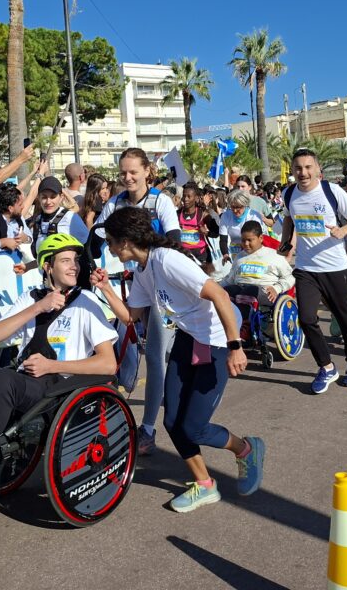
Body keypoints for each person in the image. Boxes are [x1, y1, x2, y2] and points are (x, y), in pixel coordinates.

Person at [93, 208, 264, 513]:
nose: (109, 248)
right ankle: (205, 485)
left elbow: (220, 296)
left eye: (111, 242)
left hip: (217, 339)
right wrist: (105, 287)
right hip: (190, 337)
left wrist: (235, 345)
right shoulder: (144, 270)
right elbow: (130, 317)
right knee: (172, 421)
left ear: (127, 241)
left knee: (194, 428)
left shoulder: (166, 260)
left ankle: (246, 449)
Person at [0, 234, 117, 484]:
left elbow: (108, 364)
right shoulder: (32, 299)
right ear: (47, 266)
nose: (73, 265)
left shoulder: (85, 301)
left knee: (3, 383)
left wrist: (51, 365)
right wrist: (38, 307)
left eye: (75, 260)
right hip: (27, 383)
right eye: (65, 261)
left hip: (61, 389)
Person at [92, 147, 180, 456]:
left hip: (158, 286)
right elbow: (94, 238)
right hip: (129, 283)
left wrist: (147, 263)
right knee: (122, 340)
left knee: (155, 355)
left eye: (133, 172)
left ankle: (148, 429)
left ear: (147, 172)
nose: (127, 178)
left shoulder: (160, 201)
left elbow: (175, 241)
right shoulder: (115, 203)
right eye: (123, 173)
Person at [279, 148, 347, 393]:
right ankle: (326, 367)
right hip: (306, 267)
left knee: (344, 318)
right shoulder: (289, 193)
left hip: (335, 266)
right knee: (306, 318)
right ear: (293, 170)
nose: (303, 172)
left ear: (317, 169)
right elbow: (289, 218)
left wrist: (343, 231)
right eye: (298, 168)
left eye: (308, 167)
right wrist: (286, 242)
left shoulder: (332, 191)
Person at [222, 220, 294, 318]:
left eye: (250, 240)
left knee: (249, 291)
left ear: (260, 238)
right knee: (227, 291)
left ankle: (245, 323)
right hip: (241, 289)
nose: (246, 244)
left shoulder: (274, 256)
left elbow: (290, 277)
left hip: (264, 292)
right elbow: (229, 279)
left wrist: (277, 288)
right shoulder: (239, 257)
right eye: (243, 240)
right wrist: (217, 288)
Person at [178, 183, 219, 274]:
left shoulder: (203, 214)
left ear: (196, 198)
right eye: (184, 196)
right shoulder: (177, 214)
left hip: (200, 254)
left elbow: (216, 233)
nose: (186, 199)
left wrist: (206, 233)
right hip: (184, 254)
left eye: (189, 196)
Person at [218, 190, 266, 266]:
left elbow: (258, 240)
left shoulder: (253, 215)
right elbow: (223, 239)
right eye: (232, 207)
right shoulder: (226, 216)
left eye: (238, 207)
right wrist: (225, 254)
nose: (235, 210)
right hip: (236, 253)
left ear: (245, 205)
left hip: (253, 250)